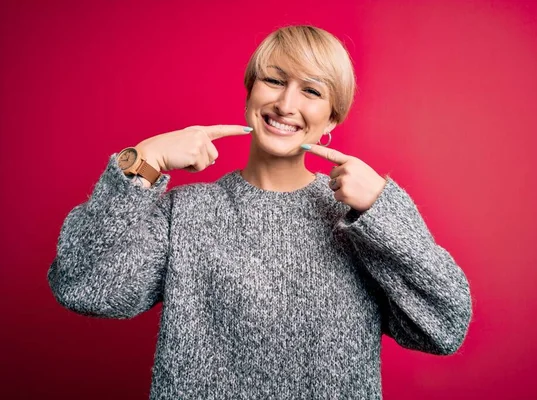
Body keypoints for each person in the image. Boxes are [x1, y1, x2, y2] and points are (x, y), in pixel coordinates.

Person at [48, 25, 472, 399]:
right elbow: (85, 287)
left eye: (312, 90)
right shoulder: (186, 213)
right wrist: (144, 158)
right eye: (274, 80)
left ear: (331, 118)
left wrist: (381, 209)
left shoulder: (363, 222)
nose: (286, 104)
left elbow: (443, 326)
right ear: (251, 91)